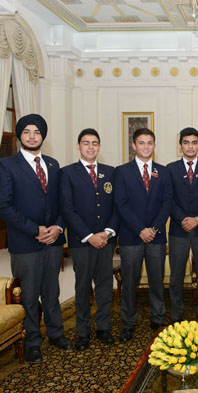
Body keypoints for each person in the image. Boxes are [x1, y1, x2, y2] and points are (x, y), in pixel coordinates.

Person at [0, 114, 72, 363]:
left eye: (37, 132)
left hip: (53, 241)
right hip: (25, 242)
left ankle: (56, 333)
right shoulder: (7, 165)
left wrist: (58, 228)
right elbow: (4, 206)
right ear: (20, 135)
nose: (32, 136)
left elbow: (64, 204)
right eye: (27, 131)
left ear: (43, 136)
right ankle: (32, 341)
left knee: (51, 291)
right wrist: (35, 229)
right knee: (28, 296)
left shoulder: (53, 164)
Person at [59, 129, 118, 350]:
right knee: (83, 288)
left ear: (99, 147)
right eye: (86, 143)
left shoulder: (110, 172)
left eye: (95, 143)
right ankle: (82, 332)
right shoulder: (67, 173)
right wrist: (88, 236)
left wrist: (108, 232)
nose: (90, 147)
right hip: (81, 241)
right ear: (78, 146)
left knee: (104, 287)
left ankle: (103, 328)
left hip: (106, 240)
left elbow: (116, 206)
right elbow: (67, 208)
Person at [114, 128, 173, 342]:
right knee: (130, 282)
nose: (146, 146)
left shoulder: (163, 171)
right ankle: (128, 322)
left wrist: (154, 229)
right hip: (131, 236)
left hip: (156, 236)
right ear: (134, 146)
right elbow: (121, 204)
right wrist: (140, 229)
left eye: (149, 143)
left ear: (154, 145)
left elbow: (167, 203)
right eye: (141, 143)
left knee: (157, 280)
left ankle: (158, 318)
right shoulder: (121, 172)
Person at [167, 127, 198, 325]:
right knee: (177, 274)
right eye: (186, 142)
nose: (190, 146)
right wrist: (182, 219)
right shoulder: (170, 169)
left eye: (194, 142)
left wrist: (197, 218)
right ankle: (176, 313)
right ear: (180, 146)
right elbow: (168, 199)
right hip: (178, 230)